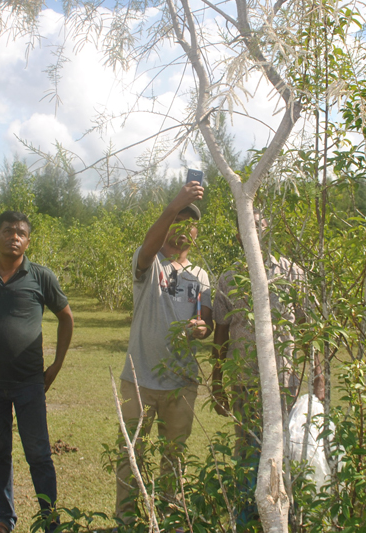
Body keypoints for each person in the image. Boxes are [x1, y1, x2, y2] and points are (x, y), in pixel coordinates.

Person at [0, 211, 74, 533]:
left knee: (38, 454)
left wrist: (56, 365)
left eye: (21, 233)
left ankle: (49, 519)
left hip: (29, 383)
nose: (14, 237)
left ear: (28, 241)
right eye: (8, 231)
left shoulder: (41, 276)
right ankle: (5, 517)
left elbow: (66, 318)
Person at [211, 210, 324, 525]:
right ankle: (248, 519)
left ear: (267, 228)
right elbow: (220, 334)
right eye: (246, 226)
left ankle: (286, 516)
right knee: (249, 450)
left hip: (285, 384)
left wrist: (318, 378)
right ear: (239, 235)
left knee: (285, 450)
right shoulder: (229, 279)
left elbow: (308, 329)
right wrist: (217, 382)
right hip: (245, 384)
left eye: (258, 224)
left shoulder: (291, 274)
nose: (253, 231)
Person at [114, 181, 213, 522]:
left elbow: (206, 321)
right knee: (130, 455)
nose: (182, 230)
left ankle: (169, 520)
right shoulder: (149, 262)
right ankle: (126, 521)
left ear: (196, 234)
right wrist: (174, 204)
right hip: (139, 379)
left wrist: (202, 328)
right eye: (177, 222)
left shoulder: (200, 276)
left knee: (174, 458)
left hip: (182, 383)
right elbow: (148, 245)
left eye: (189, 224)